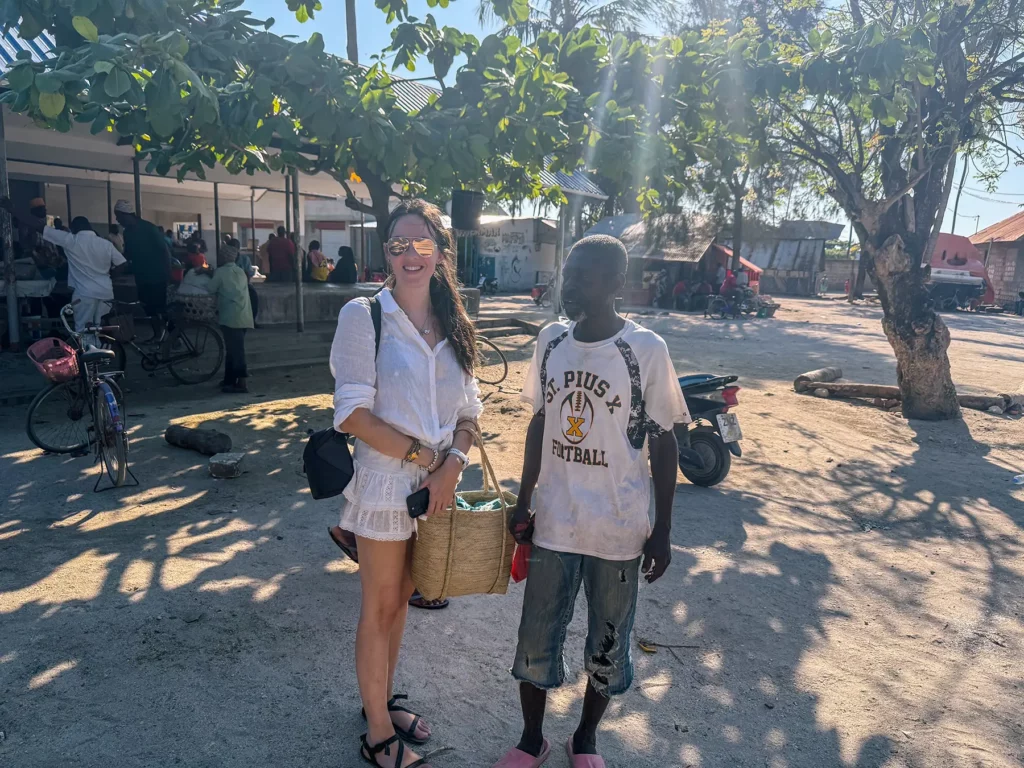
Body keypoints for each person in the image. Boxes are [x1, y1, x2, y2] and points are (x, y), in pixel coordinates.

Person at [493, 235, 688, 768]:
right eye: (569, 272)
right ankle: (532, 740)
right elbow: (540, 423)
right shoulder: (551, 341)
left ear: (617, 284)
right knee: (535, 641)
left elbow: (665, 438)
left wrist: (663, 528)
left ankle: (586, 740)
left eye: (587, 275)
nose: (572, 283)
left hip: (619, 530)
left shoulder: (645, 349)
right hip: (554, 523)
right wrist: (523, 499)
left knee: (607, 644)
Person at [329, 199, 482, 768]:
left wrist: (451, 465)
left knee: (403, 607)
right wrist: (424, 456)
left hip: (437, 488)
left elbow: (471, 412)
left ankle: (382, 701)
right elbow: (351, 413)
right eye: (398, 244)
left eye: (422, 244)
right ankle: (376, 733)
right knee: (381, 603)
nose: (410, 254)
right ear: (386, 252)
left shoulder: (455, 322)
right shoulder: (363, 315)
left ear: (442, 252)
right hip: (388, 484)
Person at [7, 201, 126, 347]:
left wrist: (12, 208)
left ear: (74, 228)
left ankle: (90, 362)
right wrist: (110, 276)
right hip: (106, 293)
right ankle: (104, 358)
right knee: (100, 328)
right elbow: (123, 264)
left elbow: (39, 226)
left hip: (85, 295)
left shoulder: (71, 240)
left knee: (83, 331)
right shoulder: (105, 244)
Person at [115, 200, 171, 337]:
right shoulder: (127, 233)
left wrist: (168, 274)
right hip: (142, 277)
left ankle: (175, 337)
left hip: (157, 276)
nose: (117, 220)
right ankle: (158, 335)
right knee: (148, 309)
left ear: (126, 215)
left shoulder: (149, 228)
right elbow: (127, 254)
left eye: (118, 216)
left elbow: (165, 251)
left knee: (160, 309)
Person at [206, 244, 253, 393]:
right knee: (233, 349)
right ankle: (229, 380)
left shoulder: (220, 272)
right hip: (244, 315)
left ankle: (242, 382)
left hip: (229, 316)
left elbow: (210, 289)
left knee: (236, 351)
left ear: (222, 257)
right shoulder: (241, 272)